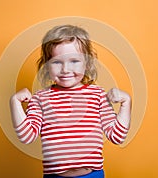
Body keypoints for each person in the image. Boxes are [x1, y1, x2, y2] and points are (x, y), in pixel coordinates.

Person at [10, 25, 131, 178]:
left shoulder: (97, 95)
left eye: (74, 61)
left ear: (86, 63)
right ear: (46, 66)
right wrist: (15, 102)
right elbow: (26, 136)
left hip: (92, 176)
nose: (65, 69)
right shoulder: (40, 99)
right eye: (57, 62)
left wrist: (126, 103)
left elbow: (117, 136)